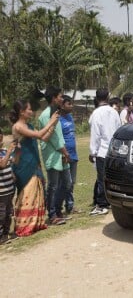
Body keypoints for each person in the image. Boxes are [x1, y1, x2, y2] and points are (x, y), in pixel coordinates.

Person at [9, 99, 59, 236]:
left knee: (36, 193)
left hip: (34, 163)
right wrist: (49, 122)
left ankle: (35, 223)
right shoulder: (18, 127)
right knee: (27, 193)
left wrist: (53, 124)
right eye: (29, 109)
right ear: (21, 111)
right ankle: (23, 226)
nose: (32, 111)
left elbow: (44, 138)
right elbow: (38, 135)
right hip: (24, 165)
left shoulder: (29, 125)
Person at [38, 86, 72, 225]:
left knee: (67, 183)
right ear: (53, 98)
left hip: (61, 154)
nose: (62, 98)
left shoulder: (56, 113)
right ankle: (52, 214)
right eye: (60, 96)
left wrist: (64, 152)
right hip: (53, 155)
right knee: (53, 186)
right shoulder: (46, 115)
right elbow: (51, 138)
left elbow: (58, 135)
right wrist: (64, 151)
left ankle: (58, 210)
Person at [89, 88, 121, 215]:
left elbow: (95, 134)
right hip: (113, 151)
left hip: (102, 151)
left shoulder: (96, 113)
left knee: (102, 178)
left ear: (97, 99)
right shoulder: (114, 112)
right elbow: (119, 129)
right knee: (112, 177)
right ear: (107, 97)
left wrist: (93, 152)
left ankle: (102, 204)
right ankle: (111, 200)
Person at [55, 95, 80, 215]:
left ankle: (70, 205)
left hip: (73, 155)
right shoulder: (57, 119)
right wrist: (64, 153)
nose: (71, 106)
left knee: (72, 182)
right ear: (61, 105)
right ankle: (57, 208)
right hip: (64, 155)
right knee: (65, 183)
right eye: (69, 104)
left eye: (72, 103)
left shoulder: (70, 117)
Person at [0, 130, 17, 244]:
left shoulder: (4, 151)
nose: (1, 142)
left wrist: (18, 150)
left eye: (1, 139)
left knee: (9, 212)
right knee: (1, 214)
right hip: (1, 191)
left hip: (9, 189)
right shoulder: (6, 152)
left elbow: (12, 161)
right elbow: (2, 165)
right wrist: (10, 151)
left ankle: (6, 233)